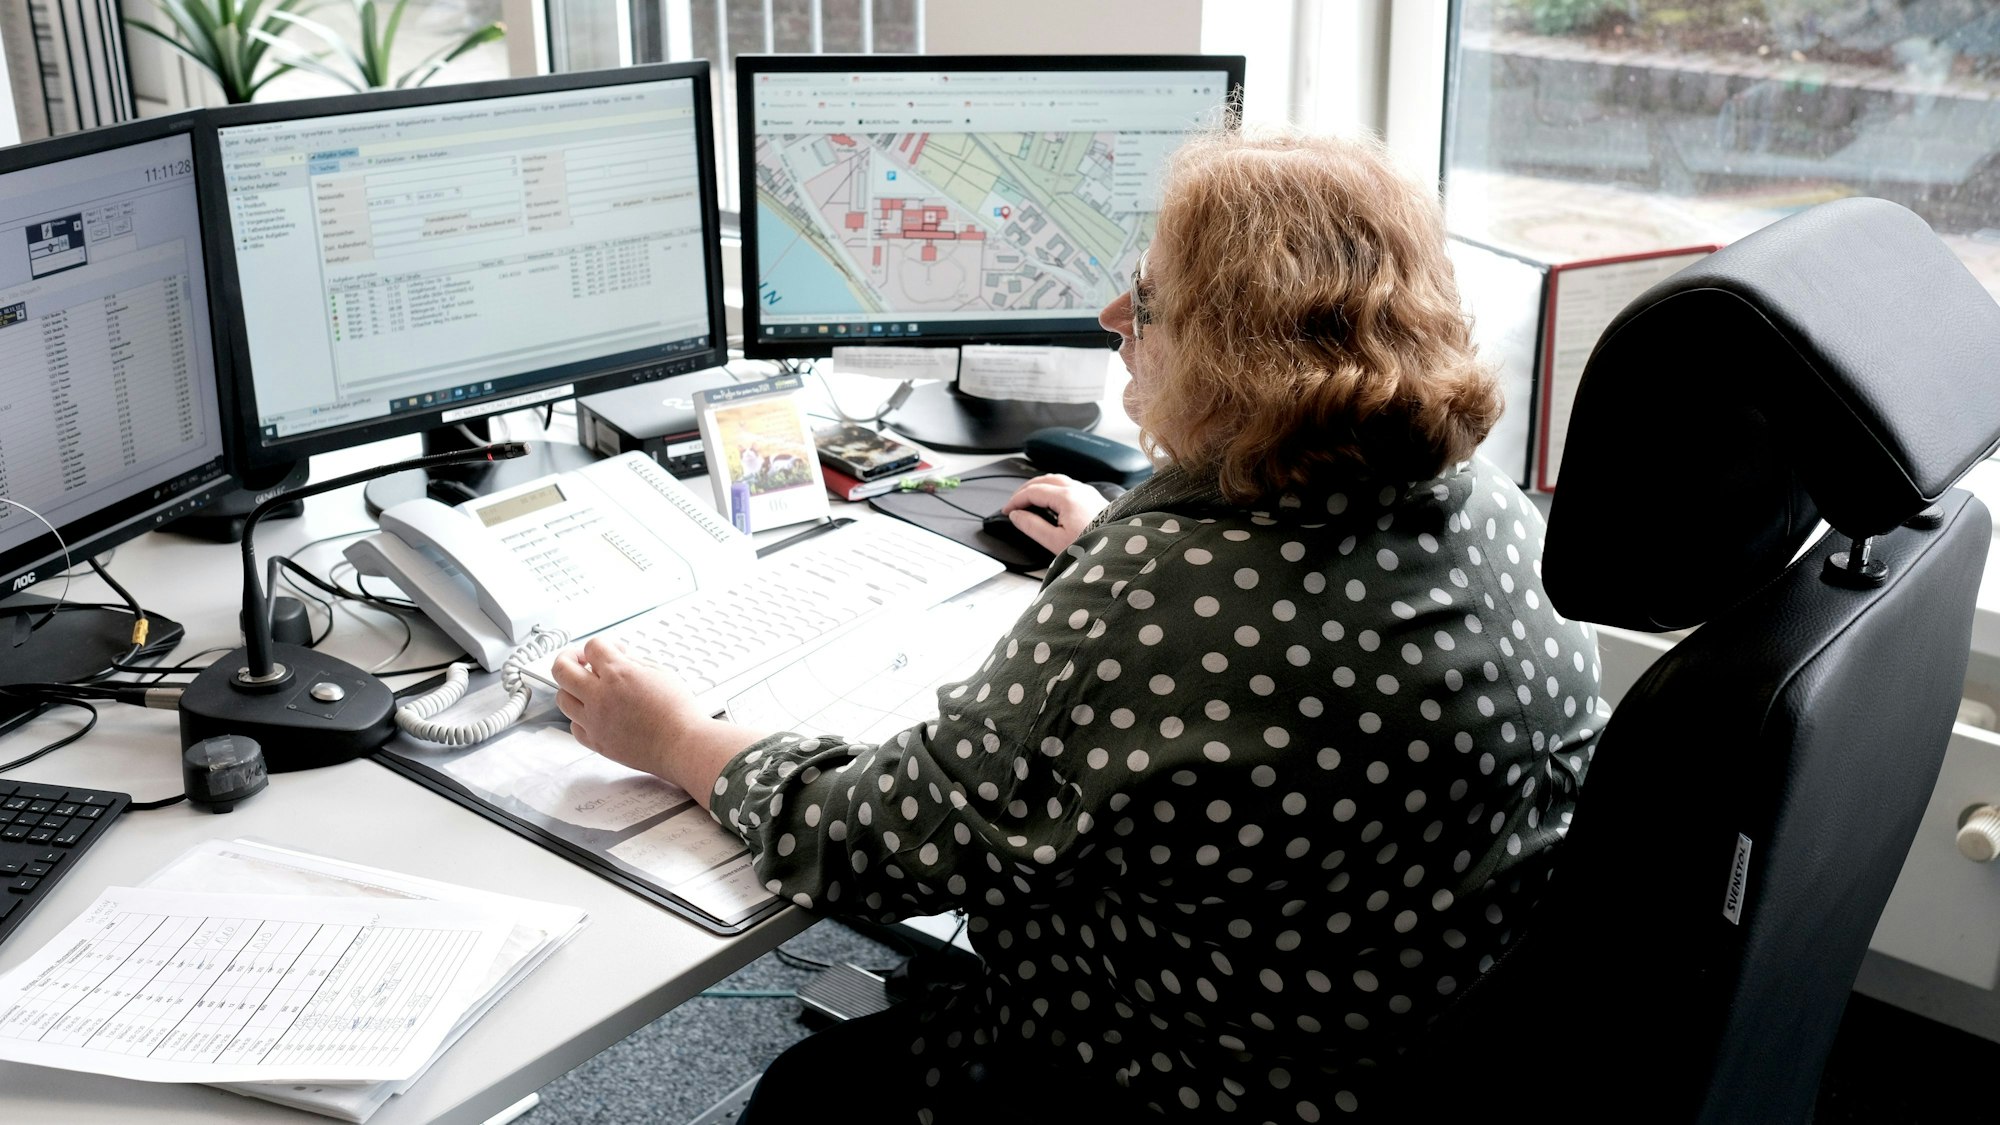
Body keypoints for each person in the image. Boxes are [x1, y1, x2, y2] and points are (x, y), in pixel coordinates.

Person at [553, 126, 1603, 1122]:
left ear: (1233, 349)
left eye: (1148, 298)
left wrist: (674, 736)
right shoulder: (1491, 514)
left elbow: (874, 845)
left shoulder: (1170, 601)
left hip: (1189, 1086)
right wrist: (1125, 547)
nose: (1111, 315)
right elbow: (1274, 636)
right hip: (1395, 1049)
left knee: (809, 1098)